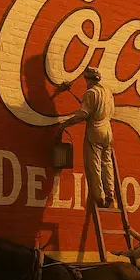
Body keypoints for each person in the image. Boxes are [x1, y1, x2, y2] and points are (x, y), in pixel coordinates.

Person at [56, 67, 116, 208]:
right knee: (107, 163)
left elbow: (83, 114)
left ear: (88, 79)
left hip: (95, 130)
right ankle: (110, 193)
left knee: (93, 164)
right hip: (108, 130)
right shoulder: (108, 93)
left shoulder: (91, 93)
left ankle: (99, 197)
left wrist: (66, 123)